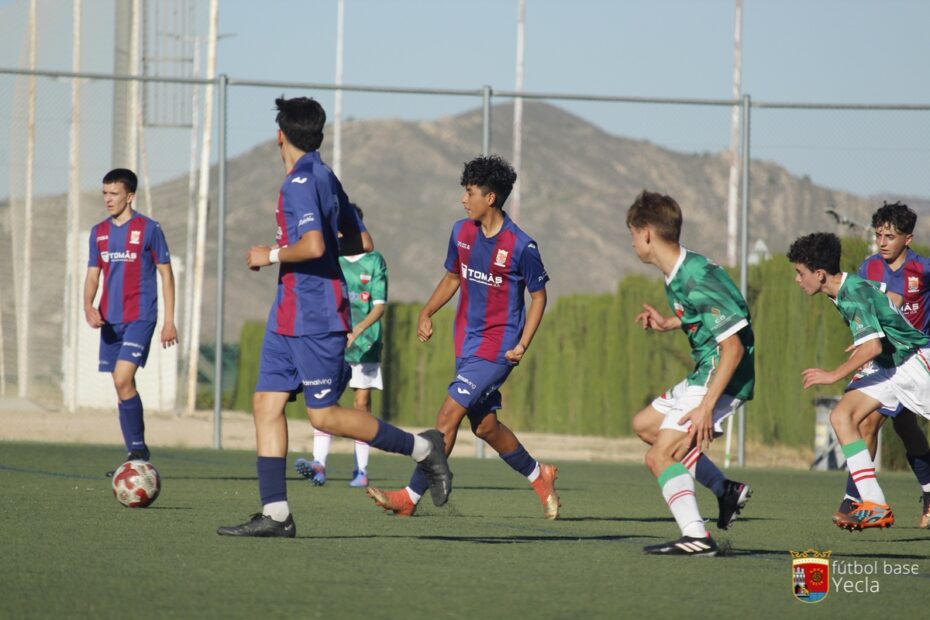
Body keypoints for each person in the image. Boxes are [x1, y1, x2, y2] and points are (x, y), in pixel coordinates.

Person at [217, 96, 451, 538]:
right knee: (265, 405)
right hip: (286, 315)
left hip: (316, 315)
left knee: (323, 416)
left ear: (280, 135)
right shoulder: (325, 175)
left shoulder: (301, 183)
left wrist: (270, 255)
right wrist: (314, 248)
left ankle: (424, 448)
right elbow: (362, 241)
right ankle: (276, 514)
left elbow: (315, 246)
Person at [365, 154, 560, 520]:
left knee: (447, 416)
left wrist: (522, 344)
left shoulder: (522, 246)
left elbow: (539, 297)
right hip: (467, 344)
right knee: (485, 427)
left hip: (498, 348)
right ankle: (539, 476)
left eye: (470, 192)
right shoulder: (461, 232)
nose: (463, 199)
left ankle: (409, 496)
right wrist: (427, 311)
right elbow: (453, 277)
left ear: (491, 197)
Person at [626, 190, 755, 556]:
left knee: (659, 457)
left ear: (646, 233)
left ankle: (696, 536)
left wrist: (706, 407)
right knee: (645, 426)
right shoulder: (677, 273)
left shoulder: (697, 277)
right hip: (706, 369)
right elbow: (706, 316)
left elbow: (734, 347)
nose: (632, 243)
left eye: (632, 234)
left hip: (721, 374)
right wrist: (669, 322)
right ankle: (725, 490)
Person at [787, 232, 930, 531]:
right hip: (891, 369)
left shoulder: (850, 292)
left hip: (915, 364)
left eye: (800, 273)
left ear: (820, 274)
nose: (798, 280)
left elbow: (873, 347)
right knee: (842, 416)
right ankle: (874, 504)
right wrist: (874, 329)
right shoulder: (848, 286)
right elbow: (886, 299)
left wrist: (832, 374)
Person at [836, 202, 930, 528]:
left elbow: (898, 306)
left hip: (916, 362)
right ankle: (859, 501)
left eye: (890, 236)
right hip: (885, 362)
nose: (882, 242)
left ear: (908, 238)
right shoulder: (869, 268)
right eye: (878, 235)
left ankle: (860, 500)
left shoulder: (923, 269)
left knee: (895, 427)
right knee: (873, 423)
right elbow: (866, 312)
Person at [84, 168, 178, 475]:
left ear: (130, 196)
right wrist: (88, 305)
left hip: (140, 316)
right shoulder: (98, 232)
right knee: (121, 384)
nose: (108, 199)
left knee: (123, 379)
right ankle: (135, 452)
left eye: (114, 193)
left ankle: (138, 449)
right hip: (110, 321)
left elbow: (166, 275)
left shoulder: (149, 229)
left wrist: (169, 321)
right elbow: (93, 275)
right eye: (105, 193)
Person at [295, 205, 388, 488]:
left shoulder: (374, 261)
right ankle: (319, 464)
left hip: (365, 345)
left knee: (361, 404)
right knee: (325, 401)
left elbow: (379, 306)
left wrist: (357, 330)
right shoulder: (331, 259)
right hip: (332, 343)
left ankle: (361, 470)